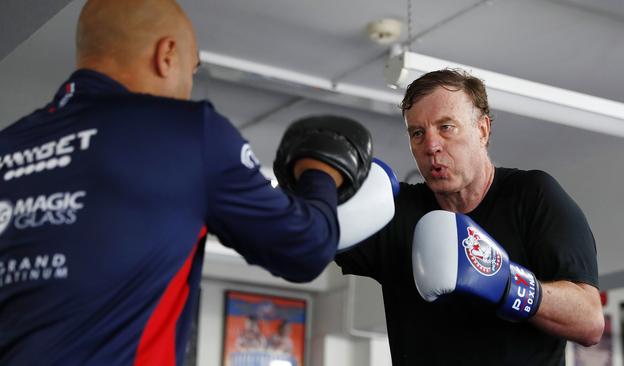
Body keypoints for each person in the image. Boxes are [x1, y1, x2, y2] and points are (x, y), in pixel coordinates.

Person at [0, 0, 373, 364]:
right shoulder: (187, 133)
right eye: (191, 69)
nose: (188, 84)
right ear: (167, 55)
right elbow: (304, 248)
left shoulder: (8, 146)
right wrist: (321, 169)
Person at [335, 69, 604, 365]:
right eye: (418, 133)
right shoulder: (397, 211)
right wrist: (317, 189)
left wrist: (506, 283)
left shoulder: (532, 196)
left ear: (483, 130)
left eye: (446, 127)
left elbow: (590, 322)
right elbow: (306, 238)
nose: (431, 146)